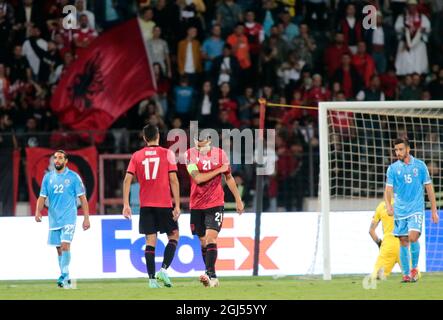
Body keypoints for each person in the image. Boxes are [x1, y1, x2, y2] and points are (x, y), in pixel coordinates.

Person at [122, 124, 181, 288]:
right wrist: (177, 205)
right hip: (164, 204)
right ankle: (163, 269)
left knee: (150, 241)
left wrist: (126, 204)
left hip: (146, 205)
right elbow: (174, 180)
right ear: (158, 136)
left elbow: (127, 180)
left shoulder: (137, 155)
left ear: (144, 138)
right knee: (174, 236)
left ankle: (151, 280)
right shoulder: (167, 153)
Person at [185, 130, 244, 287]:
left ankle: (209, 275)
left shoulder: (221, 155)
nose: (199, 145)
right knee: (203, 241)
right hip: (196, 204)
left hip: (215, 202)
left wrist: (238, 200)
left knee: (211, 238)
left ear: (210, 141)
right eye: (197, 142)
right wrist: (219, 169)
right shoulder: (189, 155)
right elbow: (197, 178)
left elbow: (229, 177)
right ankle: (213, 276)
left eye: (202, 142)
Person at [384, 137, 439, 282]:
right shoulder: (392, 169)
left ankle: (414, 268)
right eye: (396, 150)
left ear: (408, 149)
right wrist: (388, 205)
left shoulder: (420, 166)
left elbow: (429, 188)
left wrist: (434, 210)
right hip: (400, 210)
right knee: (403, 240)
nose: (398, 152)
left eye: (401, 149)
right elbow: (388, 190)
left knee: (413, 237)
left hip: (416, 208)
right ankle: (406, 274)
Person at [35, 150, 90, 288]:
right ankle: (66, 278)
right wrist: (38, 211)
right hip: (54, 219)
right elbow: (42, 197)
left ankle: (64, 275)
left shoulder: (73, 177)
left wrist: (86, 218)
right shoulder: (47, 178)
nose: (57, 160)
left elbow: (83, 199)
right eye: (55, 158)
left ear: (66, 161)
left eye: (60, 158)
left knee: (65, 245)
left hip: (69, 217)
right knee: (59, 249)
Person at [369, 200, 401, 280]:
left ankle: (379, 273)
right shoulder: (404, 202)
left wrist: (380, 244)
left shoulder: (381, 206)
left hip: (388, 243)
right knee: (414, 274)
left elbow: (371, 231)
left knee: (376, 275)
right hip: (403, 241)